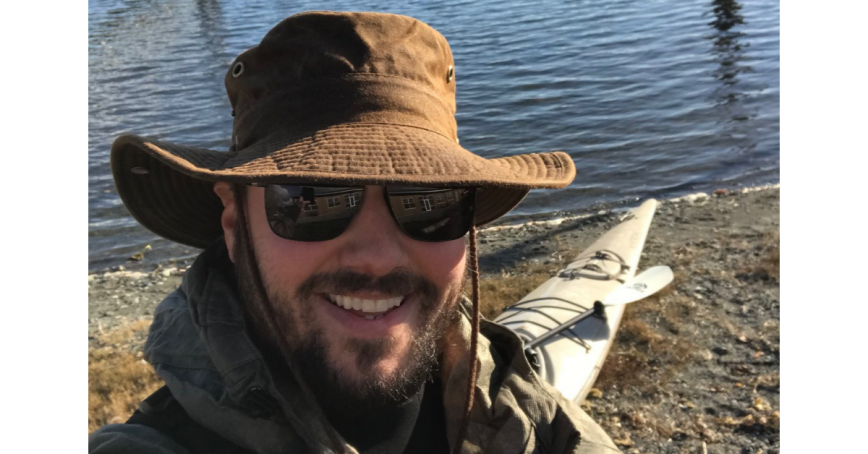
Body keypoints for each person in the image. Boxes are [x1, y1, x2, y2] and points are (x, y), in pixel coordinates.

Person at [89, 11, 621, 454]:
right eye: (310, 199)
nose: (376, 257)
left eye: (428, 202)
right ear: (234, 224)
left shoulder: (518, 406)